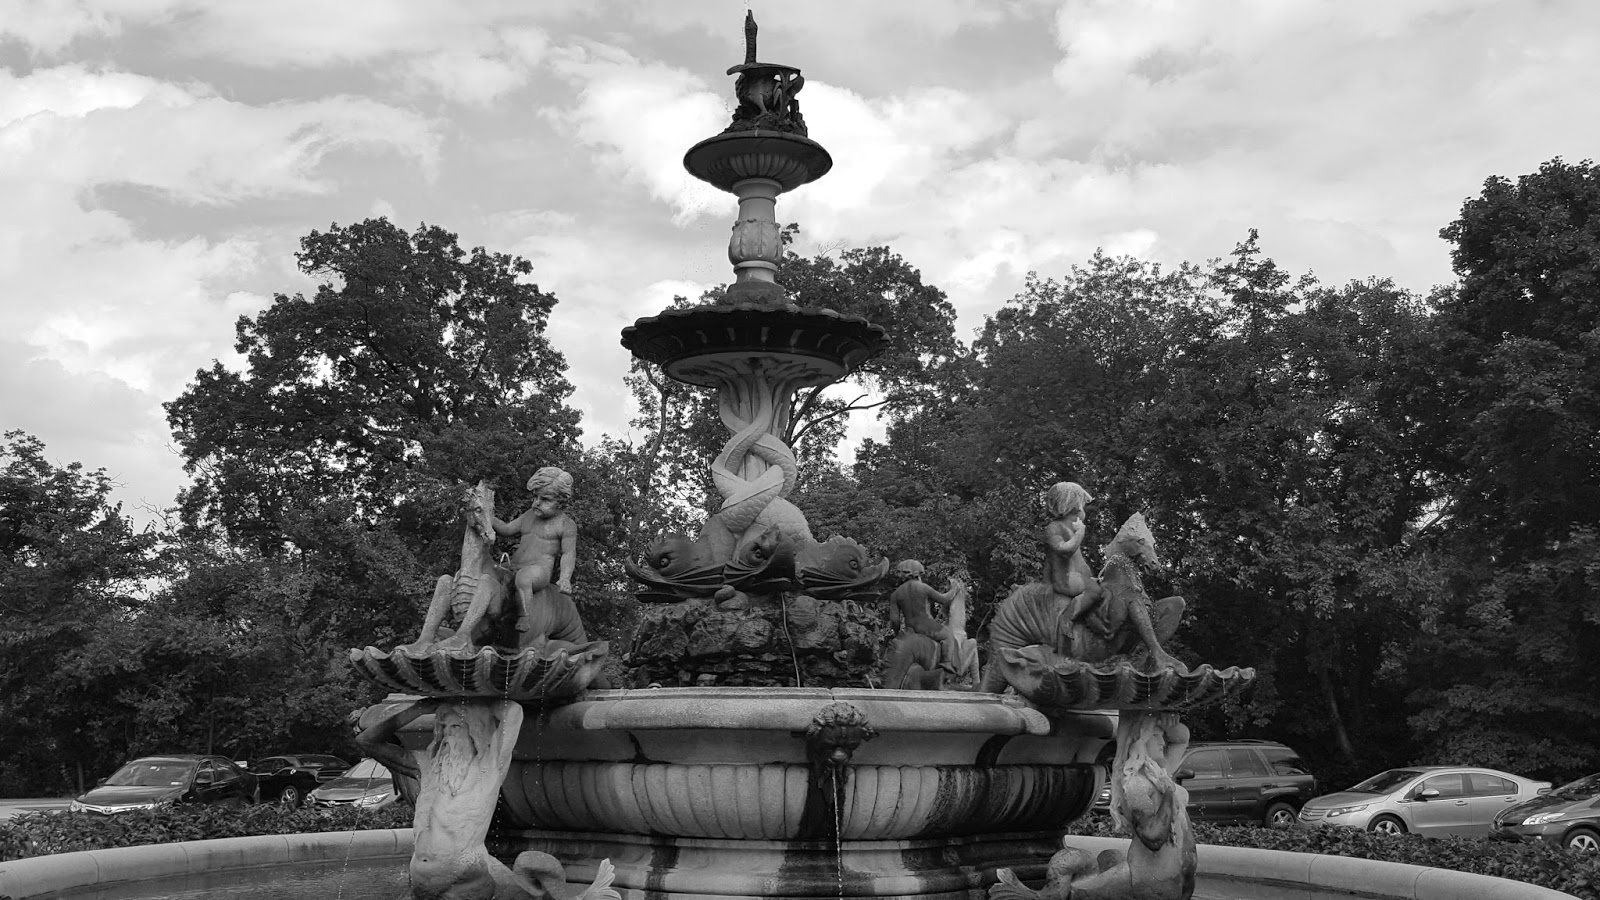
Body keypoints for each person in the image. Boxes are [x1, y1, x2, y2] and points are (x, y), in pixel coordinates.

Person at [494, 467, 578, 641]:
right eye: (535, 497)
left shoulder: (565, 524)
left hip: (538, 571)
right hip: (513, 566)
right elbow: (507, 529)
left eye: (545, 499)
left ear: (561, 501)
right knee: (488, 574)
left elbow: (568, 554)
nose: (536, 503)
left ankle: (525, 615)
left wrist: (565, 578)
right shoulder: (529, 515)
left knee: (524, 579)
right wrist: (486, 516)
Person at [1042, 481, 1106, 635]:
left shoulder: (1069, 527)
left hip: (1076, 578)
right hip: (1064, 580)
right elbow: (1064, 550)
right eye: (1080, 504)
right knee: (1095, 590)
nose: (1082, 508)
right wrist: (1079, 533)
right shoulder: (1054, 527)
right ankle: (1067, 618)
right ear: (1072, 505)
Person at [887, 560, 965, 673]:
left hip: (910, 629)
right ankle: (946, 662)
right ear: (918, 573)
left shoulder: (896, 594)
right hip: (927, 627)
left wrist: (896, 633)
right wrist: (955, 590)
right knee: (948, 635)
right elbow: (944, 599)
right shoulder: (923, 588)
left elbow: (895, 621)